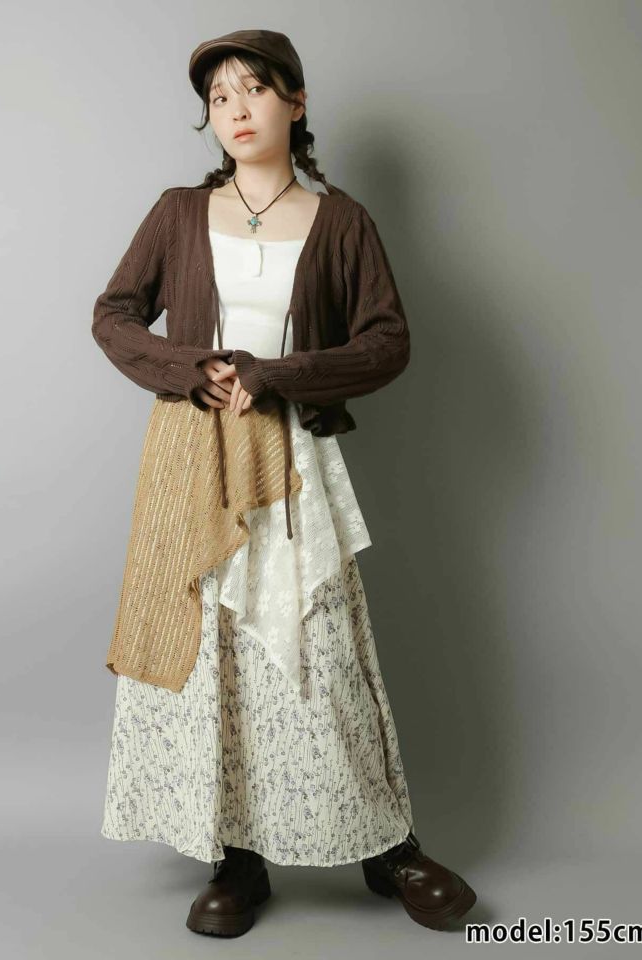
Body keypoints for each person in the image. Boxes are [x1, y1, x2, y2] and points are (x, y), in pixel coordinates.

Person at [92, 28, 478, 938]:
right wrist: (192, 367)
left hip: (293, 460)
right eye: (219, 97)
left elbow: (387, 342)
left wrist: (278, 376)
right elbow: (113, 316)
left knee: (321, 651)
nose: (236, 110)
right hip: (193, 457)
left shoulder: (341, 221)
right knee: (215, 657)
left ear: (295, 103)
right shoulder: (178, 213)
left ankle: (387, 848)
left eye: (254, 90)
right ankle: (236, 858)